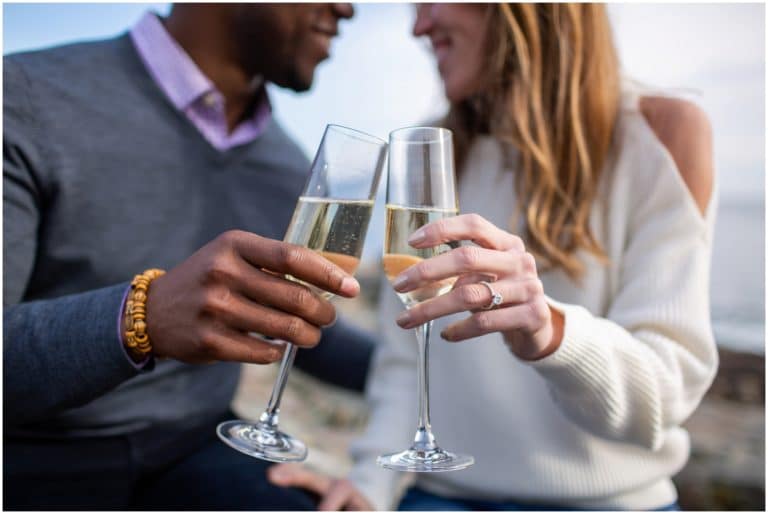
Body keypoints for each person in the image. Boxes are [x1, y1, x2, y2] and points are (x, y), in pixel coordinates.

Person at [269, 3, 718, 511]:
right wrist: (369, 482)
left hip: (613, 506)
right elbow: (406, 357)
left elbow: (662, 404)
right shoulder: (436, 149)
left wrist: (550, 331)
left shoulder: (661, 133)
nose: (418, 26)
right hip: (439, 496)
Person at [3, 3, 375, 510]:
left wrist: (439, 363)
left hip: (203, 451)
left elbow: (298, 324)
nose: (347, 7)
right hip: (30, 464)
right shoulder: (22, 94)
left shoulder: (291, 168)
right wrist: (142, 316)